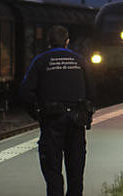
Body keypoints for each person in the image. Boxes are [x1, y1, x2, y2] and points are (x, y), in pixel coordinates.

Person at [20, 26, 94, 196]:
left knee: (52, 171)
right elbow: (92, 90)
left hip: (51, 121)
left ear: (48, 42)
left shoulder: (40, 61)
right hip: (76, 121)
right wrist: (87, 113)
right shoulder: (80, 61)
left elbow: (25, 91)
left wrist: (36, 113)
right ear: (67, 42)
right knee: (76, 172)